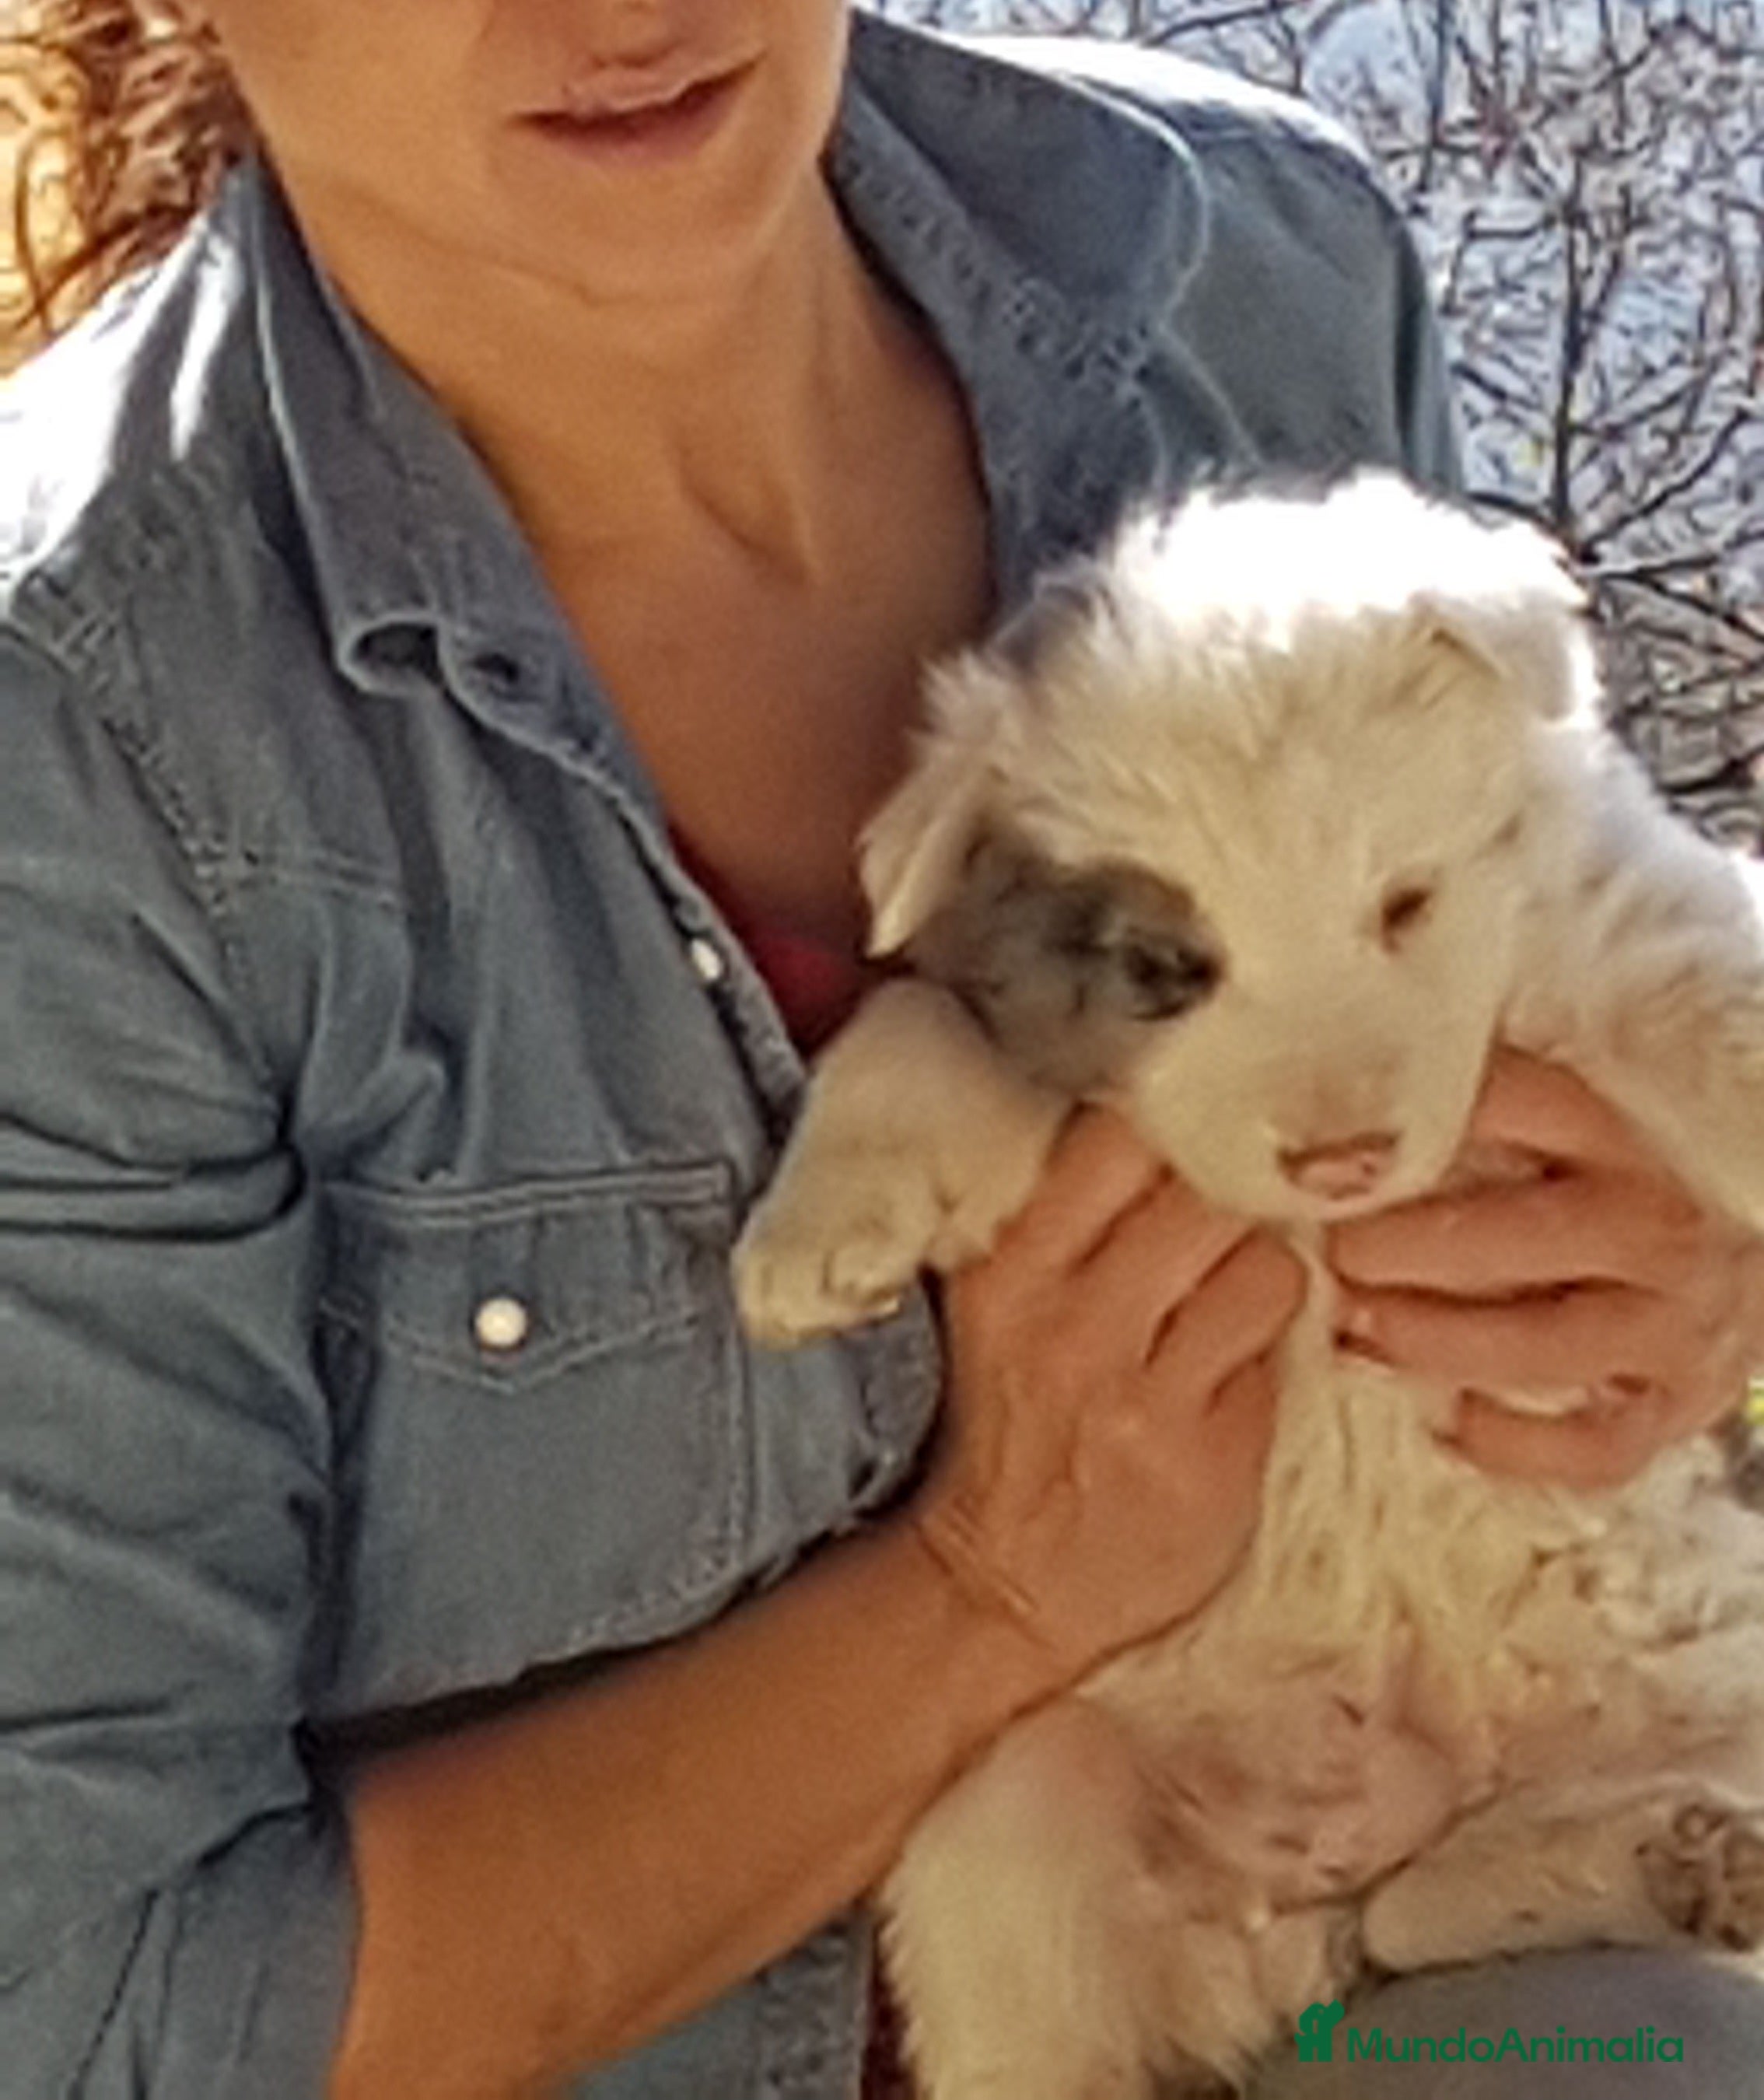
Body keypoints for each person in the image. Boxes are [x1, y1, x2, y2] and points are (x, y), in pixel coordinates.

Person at [3, 4, 1762, 2095]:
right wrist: (989, 1589)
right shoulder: (84, 740)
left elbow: (1573, 930)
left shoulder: (1254, 269)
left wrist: (1674, 1254)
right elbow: (115, 2019)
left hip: (1427, 1957)